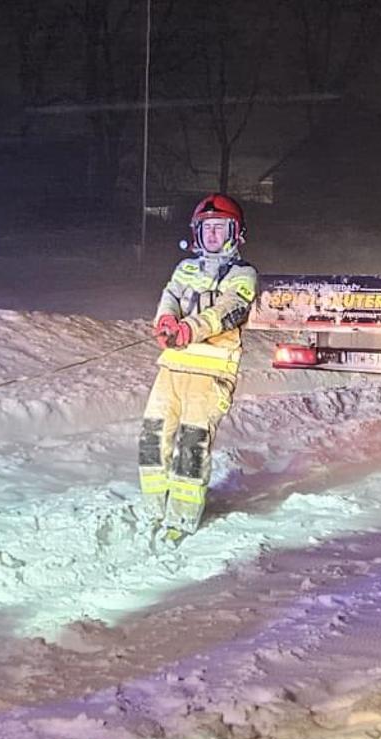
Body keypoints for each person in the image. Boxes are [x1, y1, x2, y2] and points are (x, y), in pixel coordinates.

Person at [141, 193, 259, 544]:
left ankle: (182, 518)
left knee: (192, 444)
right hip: (173, 369)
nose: (211, 236)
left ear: (234, 233)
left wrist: (189, 329)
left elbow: (228, 310)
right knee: (152, 437)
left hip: (211, 375)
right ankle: (155, 510)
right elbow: (171, 296)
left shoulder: (243, 275)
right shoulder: (185, 268)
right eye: (206, 228)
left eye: (219, 228)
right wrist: (165, 319)